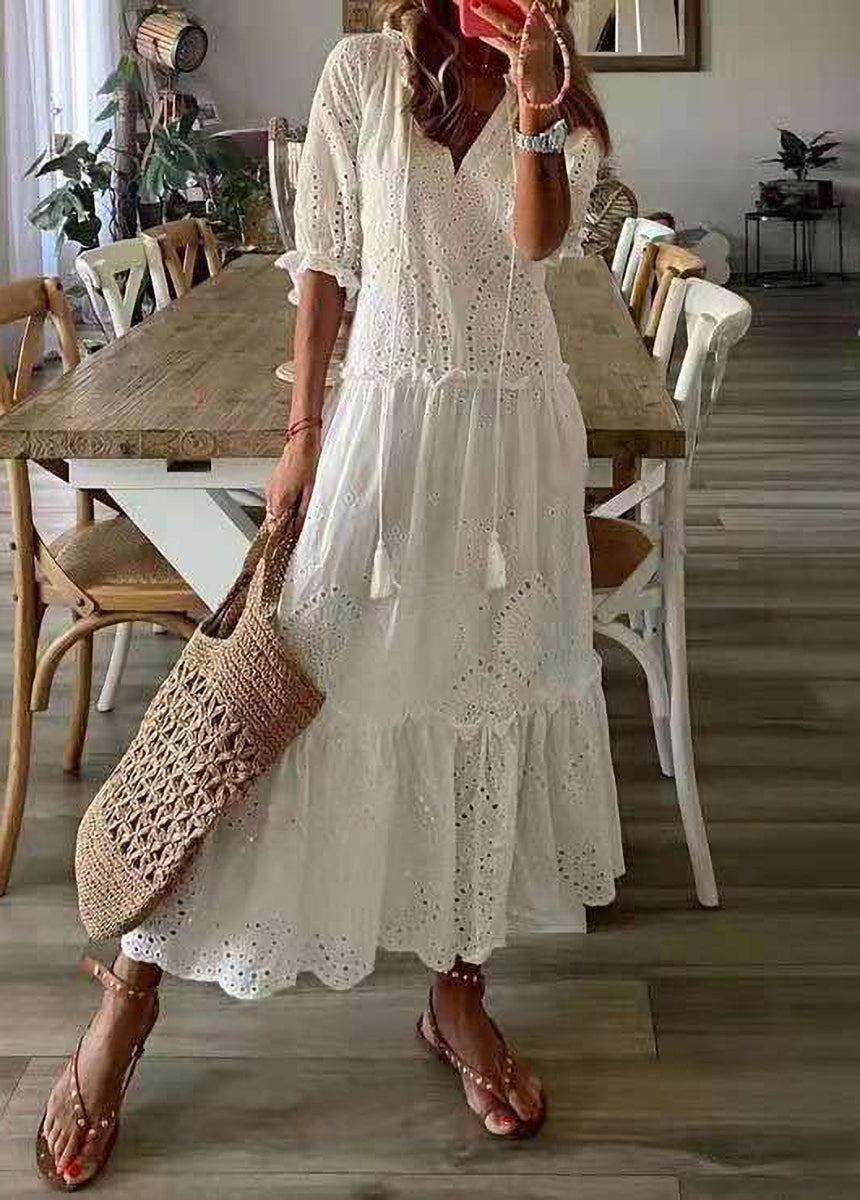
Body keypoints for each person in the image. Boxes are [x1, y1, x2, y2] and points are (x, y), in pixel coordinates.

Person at [37, 0, 623, 1187]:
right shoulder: (361, 71)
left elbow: (533, 244)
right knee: (270, 706)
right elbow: (323, 270)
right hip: (382, 427)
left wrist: (537, 104)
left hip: (515, 438)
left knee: (484, 705)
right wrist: (302, 432)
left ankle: (457, 995)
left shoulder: (559, 85)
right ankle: (132, 991)